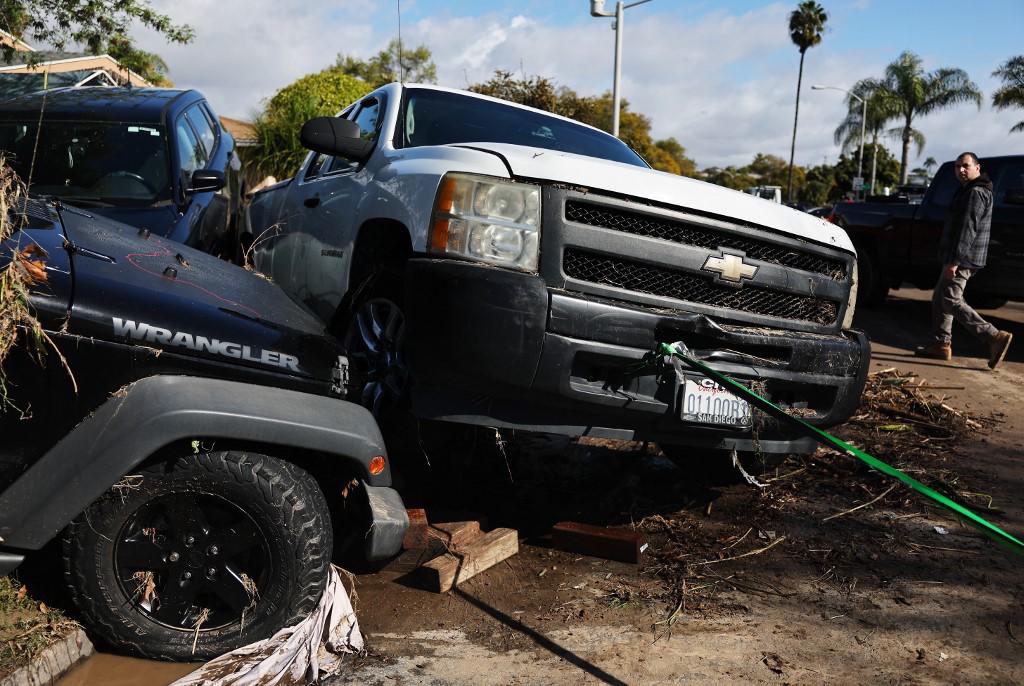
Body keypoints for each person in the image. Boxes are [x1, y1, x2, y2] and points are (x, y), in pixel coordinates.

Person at [915, 152, 1012, 369]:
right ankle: (941, 344)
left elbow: (967, 230)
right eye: (958, 166)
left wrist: (954, 261)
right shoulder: (969, 190)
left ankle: (994, 336)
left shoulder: (975, 192)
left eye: (965, 165)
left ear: (977, 168)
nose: (961, 169)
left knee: (951, 300)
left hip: (962, 259)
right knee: (941, 297)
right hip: (958, 256)